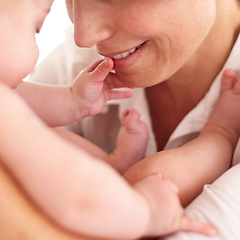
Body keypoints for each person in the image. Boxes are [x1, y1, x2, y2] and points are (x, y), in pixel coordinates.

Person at [1, 0, 240, 239]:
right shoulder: (69, 68)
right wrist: (145, 213)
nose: (83, 38)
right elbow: (80, 197)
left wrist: (73, 101)